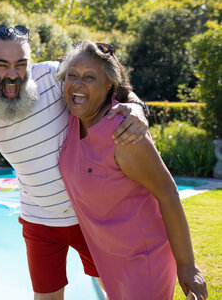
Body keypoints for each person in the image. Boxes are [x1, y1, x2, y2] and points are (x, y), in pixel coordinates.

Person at [0, 25, 150, 300]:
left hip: (89, 215)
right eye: (1, 65)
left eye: (21, 64)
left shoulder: (52, 76)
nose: (13, 74)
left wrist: (139, 107)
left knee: (117, 291)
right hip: (38, 219)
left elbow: (105, 74)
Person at [56, 40, 208, 299]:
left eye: (89, 77)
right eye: (72, 75)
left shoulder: (123, 130)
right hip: (108, 261)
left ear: (108, 86)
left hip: (142, 261)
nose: (78, 84)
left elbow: (168, 193)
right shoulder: (73, 116)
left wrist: (187, 266)